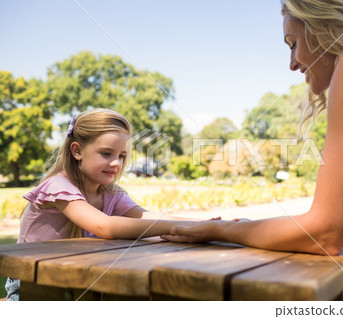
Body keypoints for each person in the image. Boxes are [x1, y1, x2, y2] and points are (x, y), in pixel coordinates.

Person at [162, 0, 343, 301]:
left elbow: (326, 234)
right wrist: (265, 229)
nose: (292, 63)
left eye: (293, 43)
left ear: (322, 24)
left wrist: (221, 232)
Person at [4, 108, 201, 300]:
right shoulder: (58, 187)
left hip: (76, 282)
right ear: (77, 151)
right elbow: (105, 226)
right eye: (106, 153)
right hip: (32, 287)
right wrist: (186, 228)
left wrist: (204, 224)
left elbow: (149, 218)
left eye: (121, 156)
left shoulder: (110, 193)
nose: (117, 163)